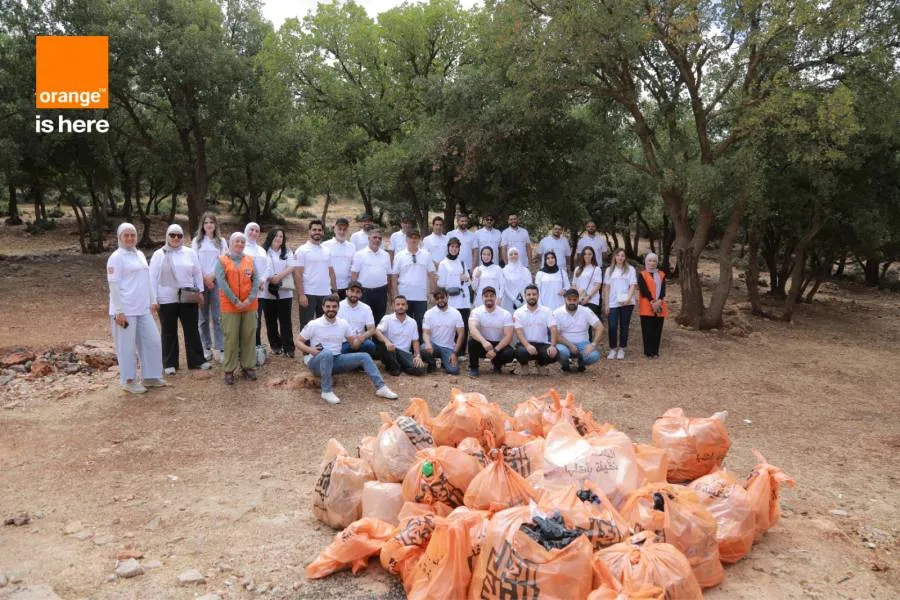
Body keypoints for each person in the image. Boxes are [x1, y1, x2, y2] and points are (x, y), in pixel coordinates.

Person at [297, 295, 398, 404]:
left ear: (338, 308)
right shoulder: (314, 324)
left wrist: (360, 338)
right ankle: (326, 391)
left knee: (364, 356)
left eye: (334, 307)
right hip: (317, 363)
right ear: (323, 307)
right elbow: (298, 341)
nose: (331, 309)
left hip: (336, 360)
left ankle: (381, 388)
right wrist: (310, 350)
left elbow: (354, 345)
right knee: (326, 353)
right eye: (328, 306)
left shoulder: (343, 324)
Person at [107, 223, 164, 394]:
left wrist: (152, 300)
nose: (130, 238)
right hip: (125, 310)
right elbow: (114, 285)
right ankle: (129, 380)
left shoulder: (139, 254)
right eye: (126, 235)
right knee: (126, 346)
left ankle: (151, 376)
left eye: (133, 235)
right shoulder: (116, 257)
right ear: (119, 238)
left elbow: (146, 279)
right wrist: (118, 311)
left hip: (142, 308)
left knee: (152, 341)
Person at [149, 223, 209, 375]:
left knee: (192, 330)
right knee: (168, 331)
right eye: (172, 235)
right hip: (166, 298)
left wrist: (200, 291)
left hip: (187, 297)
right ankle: (169, 363)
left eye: (179, 235)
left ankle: (197, 361)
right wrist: (153, 299)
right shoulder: (159, 254)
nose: (176, 238)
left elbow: (197, 273)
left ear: (183, 237)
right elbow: (152, 278)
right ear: (167, 236)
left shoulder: (189, 253)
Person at [216, 232, 260, 384]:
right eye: (237, 241)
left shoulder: (250, 260)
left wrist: (249, 299)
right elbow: (222, 283)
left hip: (250, 305)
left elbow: (256, 281)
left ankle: (248, 366)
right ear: (230, 243)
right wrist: (235, 301)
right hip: (229, 306)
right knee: (231, 338)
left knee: (249, 336)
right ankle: (229, 370)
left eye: (242, 241)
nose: (240, 244)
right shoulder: (222, 260)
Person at [192, 212, 227, 363]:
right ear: (202, 225)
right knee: (203, 317)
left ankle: (221, 347)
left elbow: (224, 261)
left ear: (215, 224)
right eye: (206, 222)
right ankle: (206, 347)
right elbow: (194, 261)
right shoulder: (197, 241)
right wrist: (204, 278)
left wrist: (212, 276)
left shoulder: (221, 242)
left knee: (217, 316)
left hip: (216, 281)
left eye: (211, 222)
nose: (209, 225)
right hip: (200, 282)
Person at [391, 230, 434, 339]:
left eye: (416, 238)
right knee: (405, 324)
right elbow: (394, 276)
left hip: (421, 296)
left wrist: (432, 293)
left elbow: (431, 275)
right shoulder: (399, 256)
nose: (413, 240)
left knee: (420, 323)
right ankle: (407, 348)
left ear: (419, 240)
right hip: (404, 296)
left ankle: (419, 350)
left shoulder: (426, 255)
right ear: (406, 240)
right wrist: (395, 294)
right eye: (411, 238)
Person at [260, 227, 296, 358]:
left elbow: (292, 266)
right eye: (276, 235)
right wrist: (270, 278)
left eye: (281, 236)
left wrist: (278, 277)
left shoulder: (288, 251)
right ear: (270, 236)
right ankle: (275, 345)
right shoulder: (263, 251)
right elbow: (260, 267)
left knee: (285, 320)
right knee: (270, 320)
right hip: (267, 292)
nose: (278, 238)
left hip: (285, 292)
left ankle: (289, 348)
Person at [467, 286, 515, 377]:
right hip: (483, 344)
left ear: (495, 297)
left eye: (491, 296)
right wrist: (484, 342)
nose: (489, 298)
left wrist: (495, 350)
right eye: (486, 296)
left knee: (509, 353)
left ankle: (497, 365)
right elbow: (472, 329)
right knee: (472, 342)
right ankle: (474, 367)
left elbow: (508, 336)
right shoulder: (476, 312)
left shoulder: (505, 314)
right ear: (482, 298)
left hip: (499, 344)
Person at [375, 296, 427, 376]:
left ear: (407, 306)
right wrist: (387, 342)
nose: (400, 307)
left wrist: (417, 356)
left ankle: (399, 367)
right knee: (383, 345)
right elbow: (377, 331)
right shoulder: (387, 318)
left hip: (405, 354)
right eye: (398, 304)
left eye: (403, 304)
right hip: (391, 351)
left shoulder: (412, 322)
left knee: (420, 369)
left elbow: (415, 341)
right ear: (393, 306)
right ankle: (396, 368)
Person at [437, 237, 472, 357]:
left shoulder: (462, 262)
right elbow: (441, 284)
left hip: (464, 299)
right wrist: (458, 279)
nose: (454, 249)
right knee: (451, 326)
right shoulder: (443, 263)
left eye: (456, 247)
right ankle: (450, 350)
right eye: (452, 246)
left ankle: (461, 352)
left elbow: (468, 281)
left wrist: (466, 279)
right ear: (448, 247)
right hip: (451, 299)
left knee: (463, 325)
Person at [555, 288, 604, 372]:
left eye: (574, 299)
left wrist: (593, 344)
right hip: (565, 344)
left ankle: (581, 362)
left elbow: (600, 327)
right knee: (561, 351)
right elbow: (556, 334)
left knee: (594, 355)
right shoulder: (557, 312)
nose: (572, 302)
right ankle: (565, 365)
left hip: (583, 344)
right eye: (569, 299)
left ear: (578, 300)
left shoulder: (586, 311)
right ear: (565, 299)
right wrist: (570, 345)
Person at [513, 284, 558, 375]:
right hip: (525, 344)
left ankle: (541, 365)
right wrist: (527, 345)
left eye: (534, 294)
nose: (531, 297)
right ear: (525, 296)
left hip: (542, 344)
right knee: (521, 352)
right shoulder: (518, 312)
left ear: (538, 295)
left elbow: (553, 329)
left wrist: (552, 346)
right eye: (529, 295)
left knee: (553, 353)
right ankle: (524, 365)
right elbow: (518, 331)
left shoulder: (547, 311)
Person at [296, 219, 333, 330]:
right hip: (309, 293)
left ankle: (321, 347)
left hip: (325, 293)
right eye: (314, 230)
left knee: (325, 325)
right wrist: (301, 295)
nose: (317, 232)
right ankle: (305, 347)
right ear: (309, 232)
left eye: (319, 230)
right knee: (307, 325)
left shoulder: (327, 250)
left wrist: (334, 291)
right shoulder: (301, 250)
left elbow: (331, 272)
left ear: (323, 232)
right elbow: (297, 274)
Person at [350, 228, 392, 324]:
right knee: (364, 319)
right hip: (364, 292)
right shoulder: (359, 254)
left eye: (379, 238)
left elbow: (389, 275)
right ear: (369, 238)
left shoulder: (386, 255)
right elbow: (354, 274)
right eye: (374, 237)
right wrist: (353, 292)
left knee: (379, 318)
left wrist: (390, 293)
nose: (377, 240)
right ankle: (366, 338)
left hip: (381, 291)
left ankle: (377, 339)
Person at [603, 248, 638, 360]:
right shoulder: (609, 270)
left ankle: (622, 349)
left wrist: (628, 298)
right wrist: (606, 304)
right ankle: (613, 349)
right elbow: (607, 288)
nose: (620, 258)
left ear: (625, 257)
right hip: (613, 302)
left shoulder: (630, 269)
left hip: (627, 302)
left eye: (622, 255)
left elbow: (633, 285)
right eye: (618, 255)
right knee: (612, 326)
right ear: (614, 257)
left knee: (624, 325)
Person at [421, 288, 464, 375]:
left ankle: (446, 361)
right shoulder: (429, 313)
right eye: (437, 298)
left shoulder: (456, 313)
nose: (440, 300)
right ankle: (432, 363)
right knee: (423, 348)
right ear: (435, 300)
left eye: (442, 297)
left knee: (454, 371)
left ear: (447, 297)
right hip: (434, 346)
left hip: (448, 347)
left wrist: (455, 353)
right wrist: (428, 343)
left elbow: (461, 335)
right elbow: (425, 332)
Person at [243, 222, 270, 348]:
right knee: (244, 319)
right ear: (246, 230)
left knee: (257, 319)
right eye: (251, 230)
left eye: (257, 231)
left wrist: (262, 280)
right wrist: (252, 282)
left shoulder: (262, 250)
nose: (253, 233)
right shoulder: (241, 247)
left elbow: (268, 267)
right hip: (245, 290)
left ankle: (256, 345)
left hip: (260, 291)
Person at [637, 252, 668, 359]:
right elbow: (643, 289)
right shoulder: (642, 274)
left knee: (657, 329)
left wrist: (658, 301)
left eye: (654, 261)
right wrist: (652, 301)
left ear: (657, 262)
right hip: (646, 304)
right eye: (649, 260)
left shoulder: (662, 274)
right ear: (646, 261)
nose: (652, 263)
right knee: (647, 329)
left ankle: (655, 351)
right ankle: (648, 351)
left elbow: (663, 290)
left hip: (660, 305)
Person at [337, 280, 377, 357]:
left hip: (360, 340)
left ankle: (359, 365)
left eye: (357, 292)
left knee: (370, 346)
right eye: (352, 291)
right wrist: (351, 339)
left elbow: (372, 329)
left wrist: (361, 337)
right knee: (340, 351)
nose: (354, 294)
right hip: (343, 342)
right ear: (346, 292)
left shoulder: (366, 308)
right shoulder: (338, 306)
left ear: (361, 294)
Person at [323, 217, 356, 299]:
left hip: (347, 288)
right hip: (329, 287)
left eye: (344, 229)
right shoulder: (325, 245)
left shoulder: (352, 246)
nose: (342, 232)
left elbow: (353, 267)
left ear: (347, 231)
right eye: (339, 229)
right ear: (334, 229)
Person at [574, 246, 604, 321]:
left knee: (588, 324)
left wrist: (588, 297)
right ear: (582, 255)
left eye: (589, 254)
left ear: (593, 256)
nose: (587, 256)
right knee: (580, 324)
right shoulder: (577, 269)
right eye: (585, 254)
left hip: (592, 300)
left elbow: (598, 285)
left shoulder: (596, 269)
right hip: (579, 300)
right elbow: (574, 284)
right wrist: (576, 297)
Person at [501, 247, 532, 313]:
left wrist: (521, 298)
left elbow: (529, 285)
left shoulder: (525, 270)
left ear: (519, 255)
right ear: (508, 256)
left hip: (523, 300)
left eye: (515, 254)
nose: (513, 256)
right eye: (511, 254)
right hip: (508, 301)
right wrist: (514, 299)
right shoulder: (504, 271)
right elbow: (504, 286)